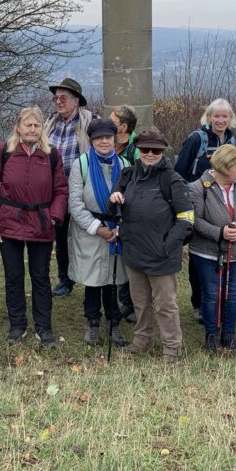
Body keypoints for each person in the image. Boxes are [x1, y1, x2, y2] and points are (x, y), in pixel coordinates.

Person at [0, 105, 68, 348]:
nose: (32, 129)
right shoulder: (4, 152)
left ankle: (44, 328)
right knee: (14, 276)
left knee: (40, 276)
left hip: (41, 223)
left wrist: (54, 215)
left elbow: (61, 190)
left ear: (42, 128)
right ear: (18, 127)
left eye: (36, 125)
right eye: (27, 125)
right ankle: (17, 325)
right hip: (9, 222)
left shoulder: (52, 155)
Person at [109, 129, 194, 362]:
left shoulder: (172, 180)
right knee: (140, 303)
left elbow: (187, 220)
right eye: (144, 149)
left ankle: (172, 348)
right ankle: (141, 339)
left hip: (161, 256)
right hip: (133, 252)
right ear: (137, 150)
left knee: (165, 305)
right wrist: (114, 199)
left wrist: (167, 246)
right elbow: (114, 210)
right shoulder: (128, 175)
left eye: (155, 150)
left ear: (162, 152)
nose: (149, 154)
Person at [188, 144, 236, 353]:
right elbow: (196, 221)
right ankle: (211, 335)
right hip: (206, 252)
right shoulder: (198, 188)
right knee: (212, 293)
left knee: (233, 293)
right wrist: (219, 232)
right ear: (223, 167)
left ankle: (228, 336)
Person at [175, 98, 236, 325]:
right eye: (216, 116)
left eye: (225, 116)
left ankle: (215, 299)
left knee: (219, 250)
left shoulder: (231, 140)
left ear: (230, 118)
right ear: (208, 117)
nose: (221, 120)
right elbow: (179, 172)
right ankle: (198, 302)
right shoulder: (196, 139)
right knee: (198, 252)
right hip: (196, 202)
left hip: (221, 202)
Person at [68, 118, 131, 347]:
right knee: (93, 281)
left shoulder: (124, 165)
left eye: (108, 137)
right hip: (90, 231)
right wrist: (98, 229)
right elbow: (75, 204)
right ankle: (92, 322)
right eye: (99, 138)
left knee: (113, 280)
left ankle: (114, 323)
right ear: (91, 140)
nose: (104, 142)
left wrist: (119, 228)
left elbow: (131, 200)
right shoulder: (81, 164)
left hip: (117, 231)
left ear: (114, 139)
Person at [44, 77, 94, 297]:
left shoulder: (90, 123)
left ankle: (92, 278)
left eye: (63, 97)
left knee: (85, 235)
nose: (58, 101)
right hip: (55, 192)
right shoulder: (49, 123)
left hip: (82, 189)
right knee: (61, 237)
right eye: (55, 97)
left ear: (76, 101)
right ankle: (66, 279)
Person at [109, 104, 139, 321]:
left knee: (131, 256)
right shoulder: (109, 144)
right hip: (113, 206)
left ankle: (133, 304)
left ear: (124, 126)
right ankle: (124, 300)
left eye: (113, 120)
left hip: (131, 208)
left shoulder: (136, 148)